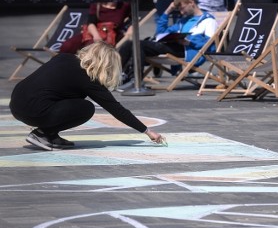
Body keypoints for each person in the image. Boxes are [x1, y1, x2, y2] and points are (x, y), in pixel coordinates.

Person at [9, 42, 165, 151]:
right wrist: (147, 131)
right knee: (86, 108)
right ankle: (42, 133)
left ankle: (50, 134)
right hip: (35, 111)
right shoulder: (88, 79)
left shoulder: (63, 57)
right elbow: (116, 109)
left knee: (69, 96)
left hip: (16, 103)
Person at [118, 0, 218, 89]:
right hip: (175, 46)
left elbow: (209, 44)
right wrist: (167, 11)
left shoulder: (208, 20)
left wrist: (189, 42)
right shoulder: (183, 21)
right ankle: (118, 76)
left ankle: (135, 80)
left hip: (187, 50)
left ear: (191, 3)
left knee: (138, 44)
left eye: (182, 8)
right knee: (130, 44)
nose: (182, 12)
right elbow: (160, 33)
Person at [59, 0, 132, 54]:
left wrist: (131, 29)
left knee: (92, 50)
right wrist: (96, 36)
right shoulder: (97, 5)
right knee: (67, 46)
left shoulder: (124, 6)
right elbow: (91, 23)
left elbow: (135, 18)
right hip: (94, 32)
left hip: (112, 36)